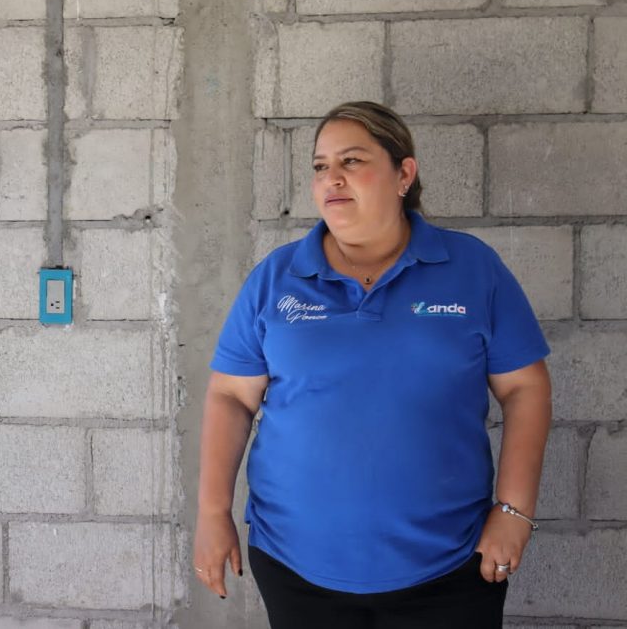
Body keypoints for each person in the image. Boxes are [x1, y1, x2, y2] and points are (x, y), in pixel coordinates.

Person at [193, 102, 552, 628]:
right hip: (296, 565)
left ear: (404, 173)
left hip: (450, 566)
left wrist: (514, 511)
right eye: (320, 166)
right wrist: (211, 513)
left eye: (352, 160)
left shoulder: (472, 269)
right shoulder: (277, 277)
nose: (331, 178)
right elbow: (231, 397)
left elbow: (526, 388)